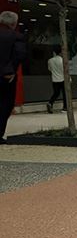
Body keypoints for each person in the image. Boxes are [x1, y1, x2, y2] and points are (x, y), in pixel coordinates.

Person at [0, 11, 27, 144]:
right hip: (6, 76)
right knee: (6, 103)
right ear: (14, 23)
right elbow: (19, 55)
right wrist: (12, 71)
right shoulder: (17, 37)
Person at [46, 48, 67, 113]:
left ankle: (50, 102)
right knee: (65, 94)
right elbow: (65, 70)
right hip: (63, 79)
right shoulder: (63, 60)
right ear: (60, 53)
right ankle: (65, 108)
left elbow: (49, 69)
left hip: (55, 79)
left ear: (54, 53)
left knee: (56, 93)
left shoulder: (50, 60)